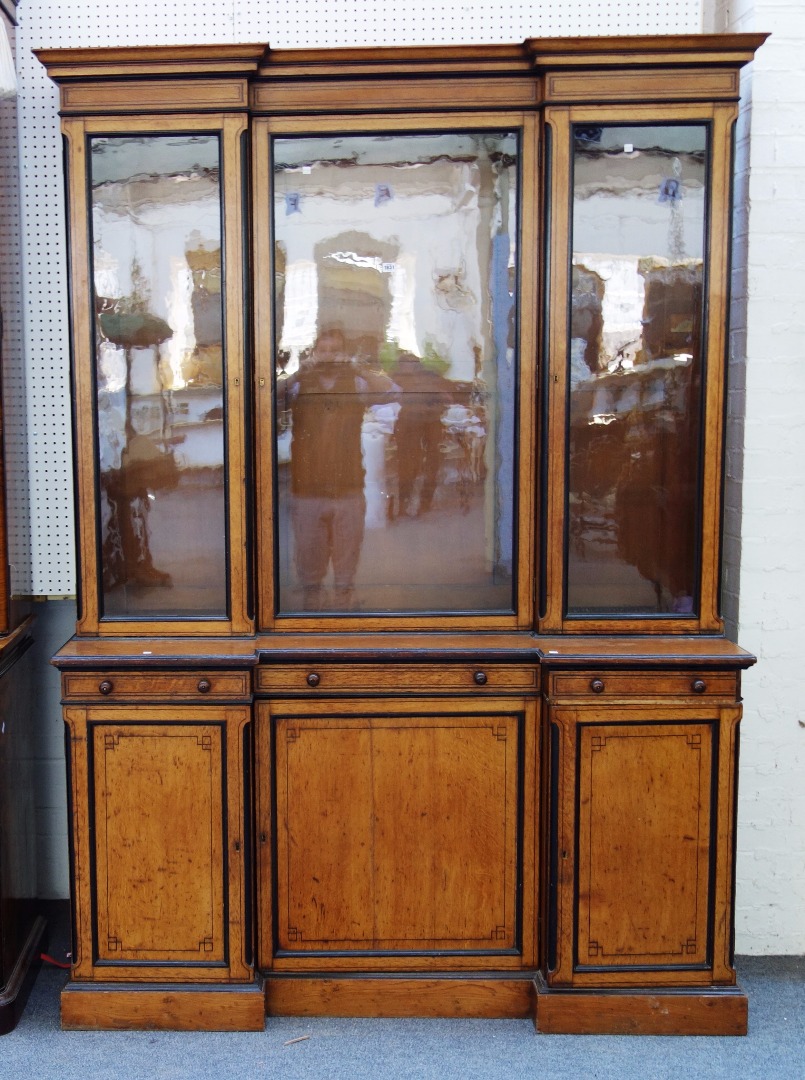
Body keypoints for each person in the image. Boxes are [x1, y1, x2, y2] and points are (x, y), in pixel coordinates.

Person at [280, 328, 394, 611]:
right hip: (307, 484)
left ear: (344, 353)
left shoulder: (356, 382)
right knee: (309, 551)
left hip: (348, 483)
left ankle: (344, 601)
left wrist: (356, 367)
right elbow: (266, 398)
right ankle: (312, 603)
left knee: (347, 551)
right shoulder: (299, 383)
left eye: (335, 350)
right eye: (324, 350)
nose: (329, 356)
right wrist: (296, 373)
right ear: (314, 352)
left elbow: (391, 390)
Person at [390, 352, 454, 517]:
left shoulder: (429, 377)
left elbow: (447, 396)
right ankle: (405, 505)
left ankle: (424, 504)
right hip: (409, 424)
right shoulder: (396, 378)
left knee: (430, 464)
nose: (407, 367)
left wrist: (438, 400)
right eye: (404, 363)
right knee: (406, 464)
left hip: (430, 423)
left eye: (411, 363)